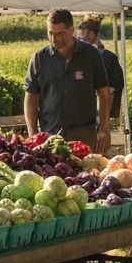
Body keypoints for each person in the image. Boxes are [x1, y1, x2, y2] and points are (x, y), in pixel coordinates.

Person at [24, 9, 111, 154]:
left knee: (85, 175)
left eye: (60, 34)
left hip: (84, 136)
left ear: (71, 30)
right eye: (50, 33)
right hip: (49, 136)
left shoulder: (91, 55)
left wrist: (104, 129)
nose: (54, 38)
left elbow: (104, 94)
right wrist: (32, 134)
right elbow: (31, 97)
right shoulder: (39, 58)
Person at [76, 18, 124, 120]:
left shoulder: (106, 57)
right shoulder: (76, 57)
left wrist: (103, 118)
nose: (78, 42)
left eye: (81, 39)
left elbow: (113, 88)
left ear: (92, 35)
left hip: (96, 112)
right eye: (77, 39)